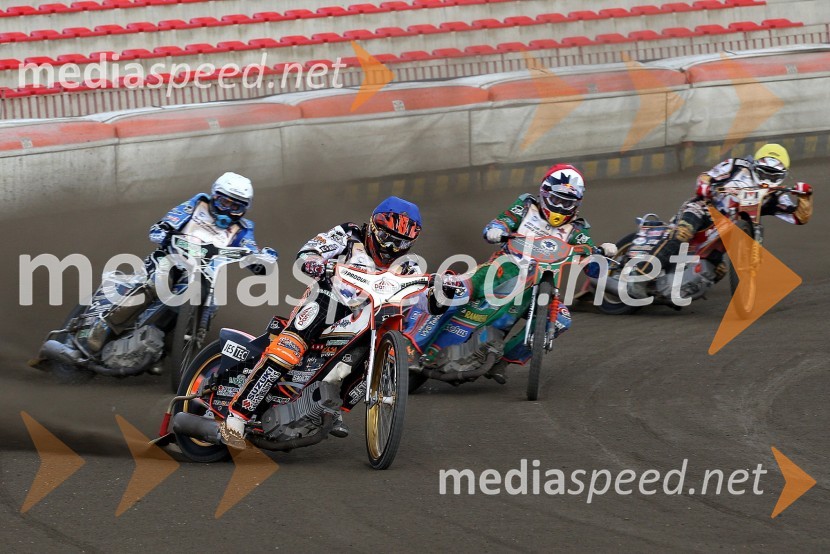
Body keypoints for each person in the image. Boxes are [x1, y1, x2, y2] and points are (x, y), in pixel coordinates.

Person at [220, 196, 455, 449]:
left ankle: (330, 407)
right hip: (328, 299)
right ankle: (236, 418)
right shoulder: (349, 234)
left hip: (369, 318)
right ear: (373, 226)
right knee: (289, 348)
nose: (392, 248)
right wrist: (314, 261)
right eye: (387, 238)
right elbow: (309, 250)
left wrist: (443, 292)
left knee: (379, 353)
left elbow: (425, 303)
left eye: (402, 243)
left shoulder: (408, 266)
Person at [473, 163, 618, 383]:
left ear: (577, 203)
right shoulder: (525, 206)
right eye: (557, 199)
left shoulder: (577, 229)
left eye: (567, 202)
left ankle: (503, 361)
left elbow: (593, 267)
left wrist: (603, 255)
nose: (560, 206)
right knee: (460, 291)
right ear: (545, 193)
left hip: (540, 286)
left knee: (561, 319)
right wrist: (496, 230)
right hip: (505, 269)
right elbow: (500, 222)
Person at [649, 144, 813, 290]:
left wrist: (805, 197)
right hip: (704, 209)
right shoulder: (736, 166)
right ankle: (644, 270)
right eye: (765, 173)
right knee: (683, 233)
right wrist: (705, 186)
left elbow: (799, 217)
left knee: (719, 270)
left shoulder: (776, 194)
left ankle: (676, 288)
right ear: (756, 166)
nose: (768, 180)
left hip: (724, 232)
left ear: (783, 175)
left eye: (774, 176)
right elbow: (706, 176)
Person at [147, 171, 277, 273]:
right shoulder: (199, 203)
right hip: (171, 256)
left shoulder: (242, 229)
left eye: (235, 207)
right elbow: (174, 217)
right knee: (152, 270)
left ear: (244, 210)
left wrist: (263, 260)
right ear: (214, 196)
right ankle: (138, 285)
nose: (227, 210)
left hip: (204, 273)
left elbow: (251, 251)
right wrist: (162, 228)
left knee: (211, 299)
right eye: (224, 202)